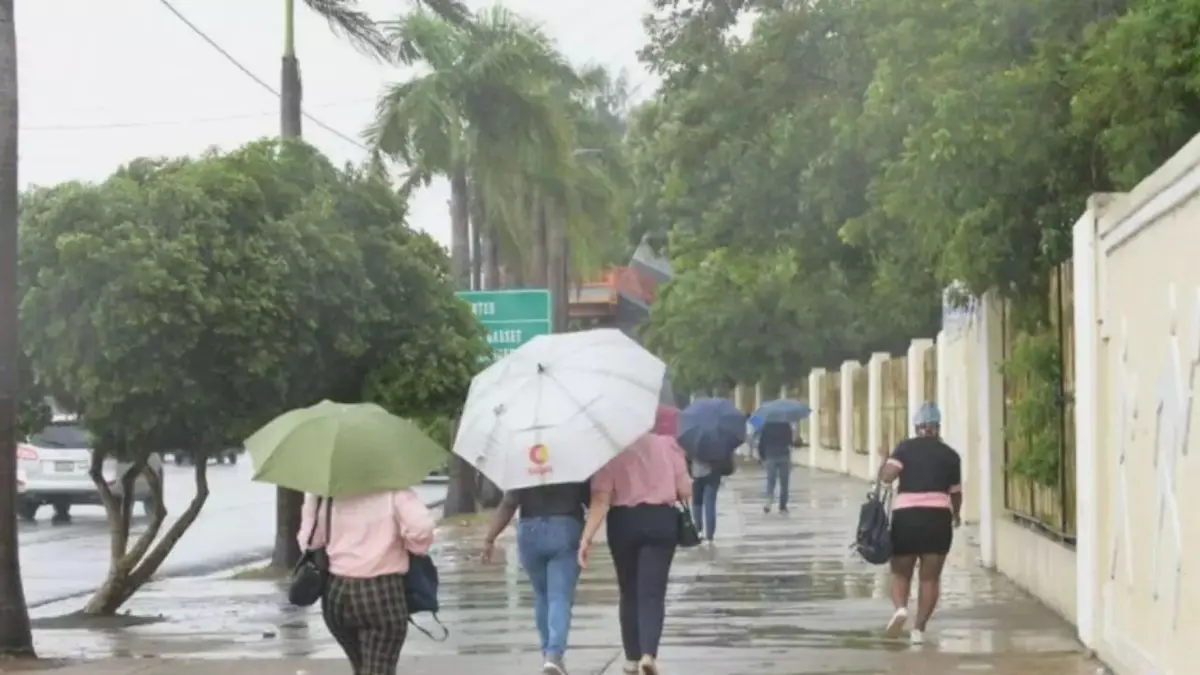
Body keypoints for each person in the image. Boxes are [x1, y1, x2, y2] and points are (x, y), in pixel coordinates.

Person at [579, 410, 691, 675]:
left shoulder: (612, 453)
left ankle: (631, 657)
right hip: (661, 520)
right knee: (653, 591)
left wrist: (586, 537)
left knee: (629, 590)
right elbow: (685, 490)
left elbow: (601, 498)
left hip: (624, 522)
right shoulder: (668, 445)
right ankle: (649, 654)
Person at [299, 487, 436, 675]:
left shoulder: (326, 491)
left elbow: (309, 542)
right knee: (379, 668)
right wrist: (412, 546)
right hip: (382, 591)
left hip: (337, 592)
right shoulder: (394, 488)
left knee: (362, 665)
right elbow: (421, 529)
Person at [481, 480, 591, 675]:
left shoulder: (525, 459)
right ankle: (554, 655)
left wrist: (490, 538)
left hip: (529, 529)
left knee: (541, 596)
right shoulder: (573, 460)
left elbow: (509, 503)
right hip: (565, 525)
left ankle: (547, 655)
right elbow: (590, 499)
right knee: (559, 596)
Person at [876, 401, 962, 644]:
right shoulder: (951, 455)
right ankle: (919, 630)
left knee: (901, 573)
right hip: (938, 520)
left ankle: (901, 608)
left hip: (907, 518)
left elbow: (886, 478)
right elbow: (956, 493)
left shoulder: (904, 449)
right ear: (937, 427)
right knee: (930, 578)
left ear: (917, 427)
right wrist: (955, 516)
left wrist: (884, 460)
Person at [757, 420, 795, 513]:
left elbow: (761, 443)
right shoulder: (786, 425)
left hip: (770, 456)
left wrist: (762, 457)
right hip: (784, 456)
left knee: (771, 481)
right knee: (784, 482)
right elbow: (790, 441)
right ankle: (783, 505)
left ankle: (768, 502)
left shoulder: (766, 426)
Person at [689, 457, 721, 543]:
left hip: (696, 474)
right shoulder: (715, 444)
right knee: (710, 505)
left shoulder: (692, 445)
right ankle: (709, 535)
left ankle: (698, 529)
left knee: (696, 502)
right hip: (712, 475)